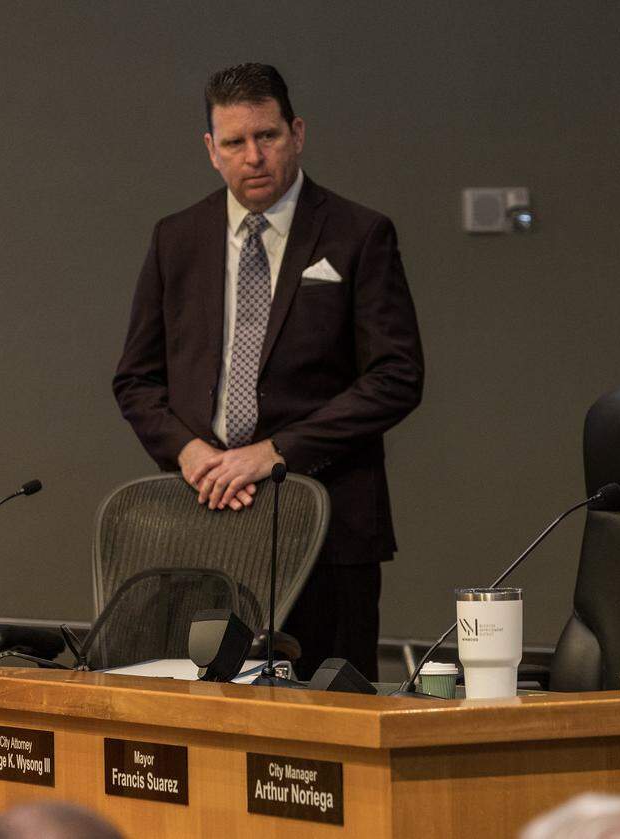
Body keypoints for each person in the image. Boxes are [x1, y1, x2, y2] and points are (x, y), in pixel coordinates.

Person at [114, 63, 424, 680]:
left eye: (268, 136)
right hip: (205, 518)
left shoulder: (358, 234)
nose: (253, 156)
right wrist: (189, 451)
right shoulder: (177, 238)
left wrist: (276, 451)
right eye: (234, 142)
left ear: (297, 133)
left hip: (327, 520)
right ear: (211, 150)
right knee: (202, 714)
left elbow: (396, 375)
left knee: (327, 720)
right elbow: (136, 380)